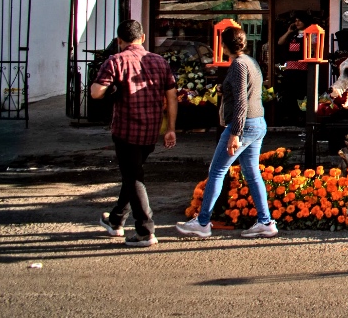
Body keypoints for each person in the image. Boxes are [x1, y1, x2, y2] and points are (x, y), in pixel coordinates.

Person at [176, 25, 277, 239]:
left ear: (223, 46)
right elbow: (250, 91)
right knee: (251, 173)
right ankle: (265, 221)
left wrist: (235, 133)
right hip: (258, 122)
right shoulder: (251, 62)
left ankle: (203, 222)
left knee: (217, 171)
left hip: (243, 124)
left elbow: (241, 100)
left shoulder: (238, 65)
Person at [90, 19, 177, 248]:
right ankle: (117, 219)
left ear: (120, 41)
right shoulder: (159, 61)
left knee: (134, 177)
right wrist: (170, 128)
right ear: (143, 37)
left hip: (126, 130)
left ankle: (145, 230)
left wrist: (111, 86)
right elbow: (171, 96)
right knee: (132, 174)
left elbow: (96, 93)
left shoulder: (115, 61)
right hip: (151, 130)